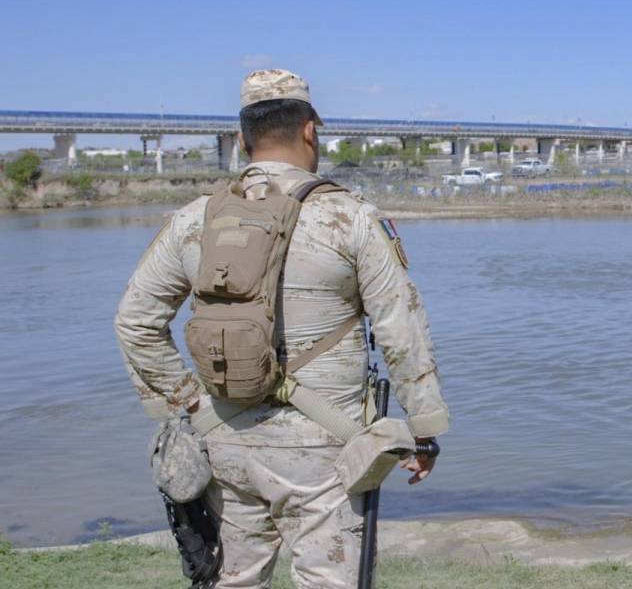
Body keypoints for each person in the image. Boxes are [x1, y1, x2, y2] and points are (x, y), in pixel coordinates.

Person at [115, 69, 449, 588]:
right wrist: (423, 429)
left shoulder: (195, 219)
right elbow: (400, 329)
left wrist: (188, 402)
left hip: (219, 438)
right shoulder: (350, 217)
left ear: (242, 138)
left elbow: (135, 324)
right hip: (326, 448)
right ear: (312, 130)